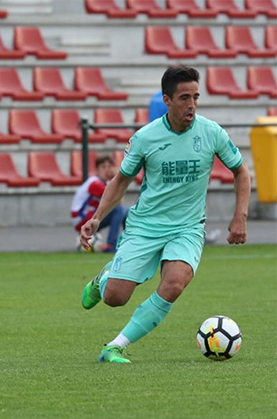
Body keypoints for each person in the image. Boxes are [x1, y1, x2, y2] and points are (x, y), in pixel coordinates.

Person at [79, 65, 251, 364]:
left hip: (187, 227)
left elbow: (241, 171)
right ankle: (103, 279)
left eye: (196, 97)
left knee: (174, 284)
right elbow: (121, 180)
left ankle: (114, 347)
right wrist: (97, 217)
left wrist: (240, 216)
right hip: (145, 226)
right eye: (184, 97)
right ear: (167, 100)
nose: (192, 105)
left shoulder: (211, 132)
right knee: (115, 298)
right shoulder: (146, 137)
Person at [71, 156, 127, 253]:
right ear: (97, 170)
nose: (107, 170)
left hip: (91, 216)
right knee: (119, 210)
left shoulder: (106, 183)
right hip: (81, 218)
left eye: (109, 167)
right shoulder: (94, 183)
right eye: (103, 167)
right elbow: (117, 201)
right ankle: (111, 245)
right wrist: (117, 178)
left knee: (127, 212)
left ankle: (128, 244)